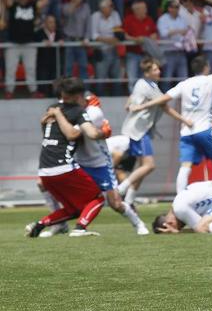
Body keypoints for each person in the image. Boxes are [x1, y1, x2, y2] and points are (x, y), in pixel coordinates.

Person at [129, 44, 212, 194]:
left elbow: (164, 98)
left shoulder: (184, 84)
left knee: (185, 166)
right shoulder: (210, 80)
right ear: (207, 67)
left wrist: (143, 106)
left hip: (186, 132)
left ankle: (180, 198)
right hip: (204, 129)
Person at [51, 91, 150, 235]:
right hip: (79, 162)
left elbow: (73, 134)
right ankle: (60, 224)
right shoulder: (67, 111)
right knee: (52, 187)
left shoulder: (92, 112)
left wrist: (57, 117)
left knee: (115, 202)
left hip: (99, 162)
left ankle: (138, 223)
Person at [26, 78, 106, 238]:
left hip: (44, 169)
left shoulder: (52, 108)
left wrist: (57, 114)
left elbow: (46, 127)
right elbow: (79, 134)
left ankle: (40, 225)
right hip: (63, 167)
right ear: (78, 96)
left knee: (74, 209)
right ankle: (80, 228)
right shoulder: (77, 111)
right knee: (97, 198)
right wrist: (103, 132)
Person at [118, 57, 192, 205]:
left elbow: (131, 100)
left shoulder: (146, 84)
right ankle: (122, 188)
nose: (159, 71)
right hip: (138, 131)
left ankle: (129, 200)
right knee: (149, 165)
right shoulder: (147, 87)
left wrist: (131, 104)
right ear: (147, 73)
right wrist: (185, 120)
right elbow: (165, 106)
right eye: (155, 69)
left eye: (158, 68)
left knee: (142, 166)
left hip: (138, 129)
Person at [4, 0, 46, 99]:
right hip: (13, 43)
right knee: (11, 68)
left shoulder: (32, 5)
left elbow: (45, 1)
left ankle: (33, 91)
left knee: (31, 69)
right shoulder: (14, 6)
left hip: (29, 43)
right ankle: (9, 91)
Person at [123, 0, 158, 92]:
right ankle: (134, 100)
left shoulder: (149, 19)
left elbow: (154, 34)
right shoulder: (128, 19)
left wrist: (146, 39)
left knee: (147, 79)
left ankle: (147, 99)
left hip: (146, 54)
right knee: (133, 80)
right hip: (132, 54)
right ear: (136, 10)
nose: (146, 10)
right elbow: (124, 35)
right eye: (144, 8)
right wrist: (136, 39)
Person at [91, 0, 122, 96]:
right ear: (102, 8)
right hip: (101, 51)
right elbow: (94, 35)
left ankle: (117, 98)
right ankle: (100, 99)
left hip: (114, 49)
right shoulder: (95, 16)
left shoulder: (115, 14)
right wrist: (109, 40)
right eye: (110, 6)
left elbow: (118, 31)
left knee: (117, 77)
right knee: (100, 78)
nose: (112, 7)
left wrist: (115, 39)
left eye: (112, 5)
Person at [157, 0, 189, 91]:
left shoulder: (182, 19)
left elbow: (186, 32)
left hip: (181, 52)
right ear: (169, 8)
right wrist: (178, 31)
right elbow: (164, 33)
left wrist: (172, 32)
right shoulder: (163, 19)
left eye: (177, 7)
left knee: (183, 79)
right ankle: (164, 101)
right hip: (168, 52)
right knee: (167, 79)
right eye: (174, 7)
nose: (176, 9)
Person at [62, 0, 91, 81]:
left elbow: (88, 24)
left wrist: (87, 38)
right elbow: (68, 12)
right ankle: (68, 92)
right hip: (69, 40)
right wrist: (75, 2)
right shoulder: (66, 6)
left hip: (81, 41)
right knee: (68, 67)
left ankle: (85, 91)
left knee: (83, 66)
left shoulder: (86, 7)